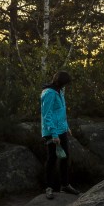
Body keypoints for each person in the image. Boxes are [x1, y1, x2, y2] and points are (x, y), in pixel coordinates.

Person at [40, 70, 79, 199]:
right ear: (61, 82)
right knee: (52, 158)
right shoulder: (49, 93)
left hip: (61, 129)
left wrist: (66, 127)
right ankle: (49, 187)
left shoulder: (59, 92)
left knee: (65, 157)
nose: (66, 86)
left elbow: (61, 112)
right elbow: (47, 115)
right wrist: (54, 134)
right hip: (51, 131)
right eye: (65, 83)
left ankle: (65, 185)